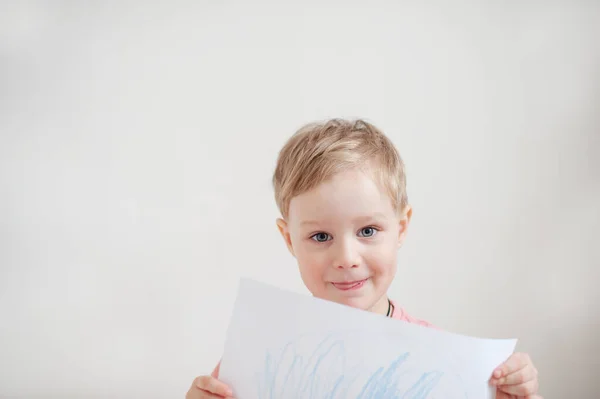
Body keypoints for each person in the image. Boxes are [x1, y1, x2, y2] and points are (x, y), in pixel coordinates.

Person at [186, 119, 542, 399]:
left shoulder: (445, 362)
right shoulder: (257, 355)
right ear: (289, 238)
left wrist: (509, 394)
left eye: (368, 231)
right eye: (320, 236)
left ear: (401, 228)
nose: (346, 258)